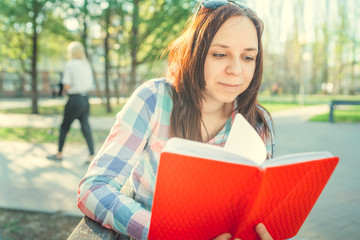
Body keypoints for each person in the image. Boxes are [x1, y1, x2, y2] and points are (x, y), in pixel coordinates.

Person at [77, 1, 275, 239]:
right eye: (220, 54)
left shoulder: (258, 124)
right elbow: (95, 187)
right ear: (196, 51)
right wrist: (165, 232)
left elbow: (259, 209)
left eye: (248, 58)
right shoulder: (154, 101)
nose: (236, 70)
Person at [47, 41, 95, 163]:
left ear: (71, 53)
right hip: (85, 99)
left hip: (74, 99)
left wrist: (61, 89)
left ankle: (59, 154)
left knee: (64, 127)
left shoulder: (71, 64)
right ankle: (92, 155)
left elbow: (67, 85)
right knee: (86, 127)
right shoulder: (86, 65)